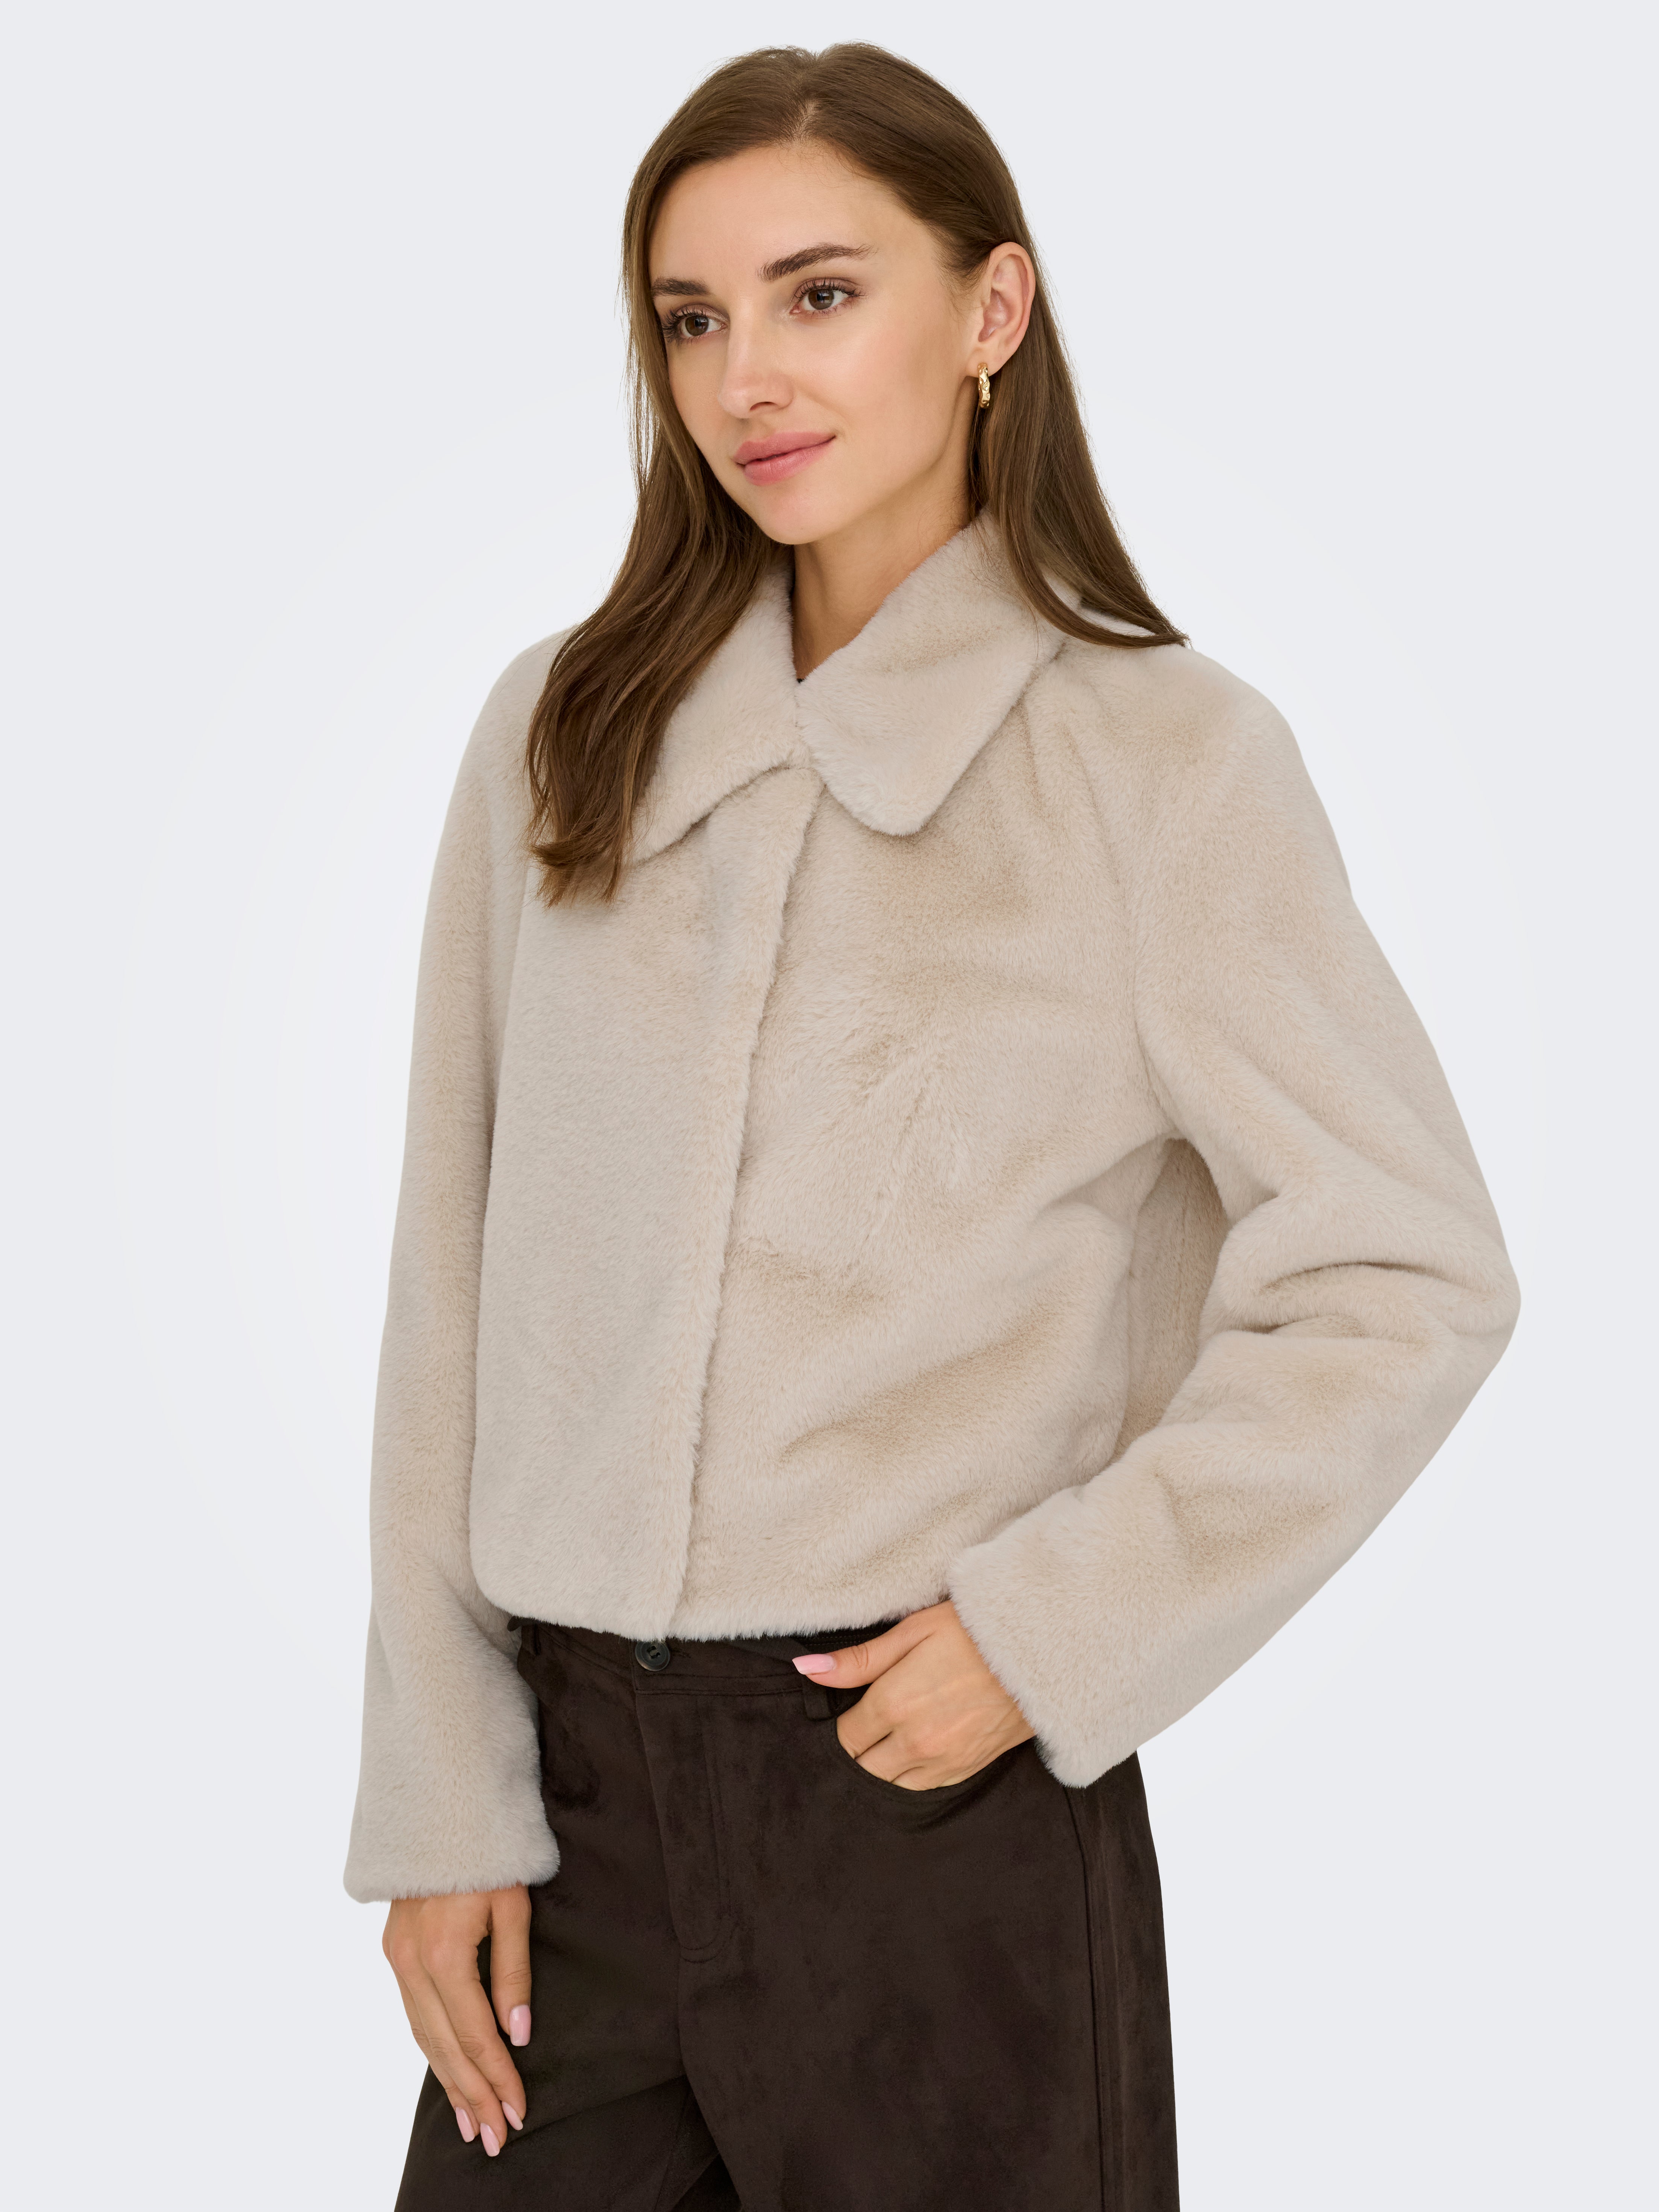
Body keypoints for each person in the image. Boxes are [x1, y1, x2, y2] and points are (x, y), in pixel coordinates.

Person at [345, 42, 1519, 2212]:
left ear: (993, 309)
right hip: (569, 1827)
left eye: (820, 294)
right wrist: (441, 1796)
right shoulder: (563, 733)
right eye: (692, 318)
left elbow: (1406, 1274)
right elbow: (453, 1282)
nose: (748, 380)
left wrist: (1055, 1631)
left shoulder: (1159, 764)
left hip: (929, 1808)